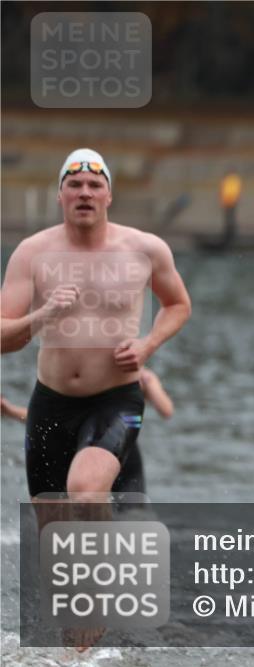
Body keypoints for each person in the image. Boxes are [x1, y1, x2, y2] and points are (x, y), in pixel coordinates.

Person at [0, 148, 191, 650]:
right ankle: (76, 647)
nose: (84, 192)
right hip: (51, 402)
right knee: (53, 541)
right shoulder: (32, 253)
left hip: (116, 399)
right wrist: (40, 316)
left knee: (87, 489)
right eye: (74, 184)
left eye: (94, 184)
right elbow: (3, 334)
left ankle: (98, 606)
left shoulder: (144, 248)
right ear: (60, 194)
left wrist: (149, 343)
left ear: (109, 193)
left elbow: (178, 304)